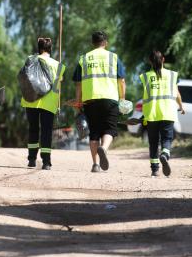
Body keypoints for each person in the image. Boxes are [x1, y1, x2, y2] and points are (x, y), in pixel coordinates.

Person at [73, 31, 126, 172]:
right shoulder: (113, 57)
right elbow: (121, 81)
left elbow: (78, 84)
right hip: (110, 98)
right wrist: (122, 99)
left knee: (94, 132)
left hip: (90, 99)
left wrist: (78, 103)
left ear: (92, 43)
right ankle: (104, 148)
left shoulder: (84, 58)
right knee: (110, 129)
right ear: (105, 43)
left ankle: (95, 164)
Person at [21, 37, 66, 170]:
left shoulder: (30, 60)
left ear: (39, 48)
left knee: (33, 129)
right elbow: (58, 86)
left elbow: (24, 77)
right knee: (46, 131)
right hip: (49, 102)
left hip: (31, 100)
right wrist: (58, 104)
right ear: (50, 49)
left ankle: (31, 160)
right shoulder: (58, 65)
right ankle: (46, 162)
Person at [140, 50, 185, 177]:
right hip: (168, 112)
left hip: (152, 113)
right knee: (167, 138)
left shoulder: (145, 77)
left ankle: (155, 169)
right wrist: (181, 106)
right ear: (163, 60)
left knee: (153, 142)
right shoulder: (172, 75)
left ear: (150, 61)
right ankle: (164, 154)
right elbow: (177, 93)